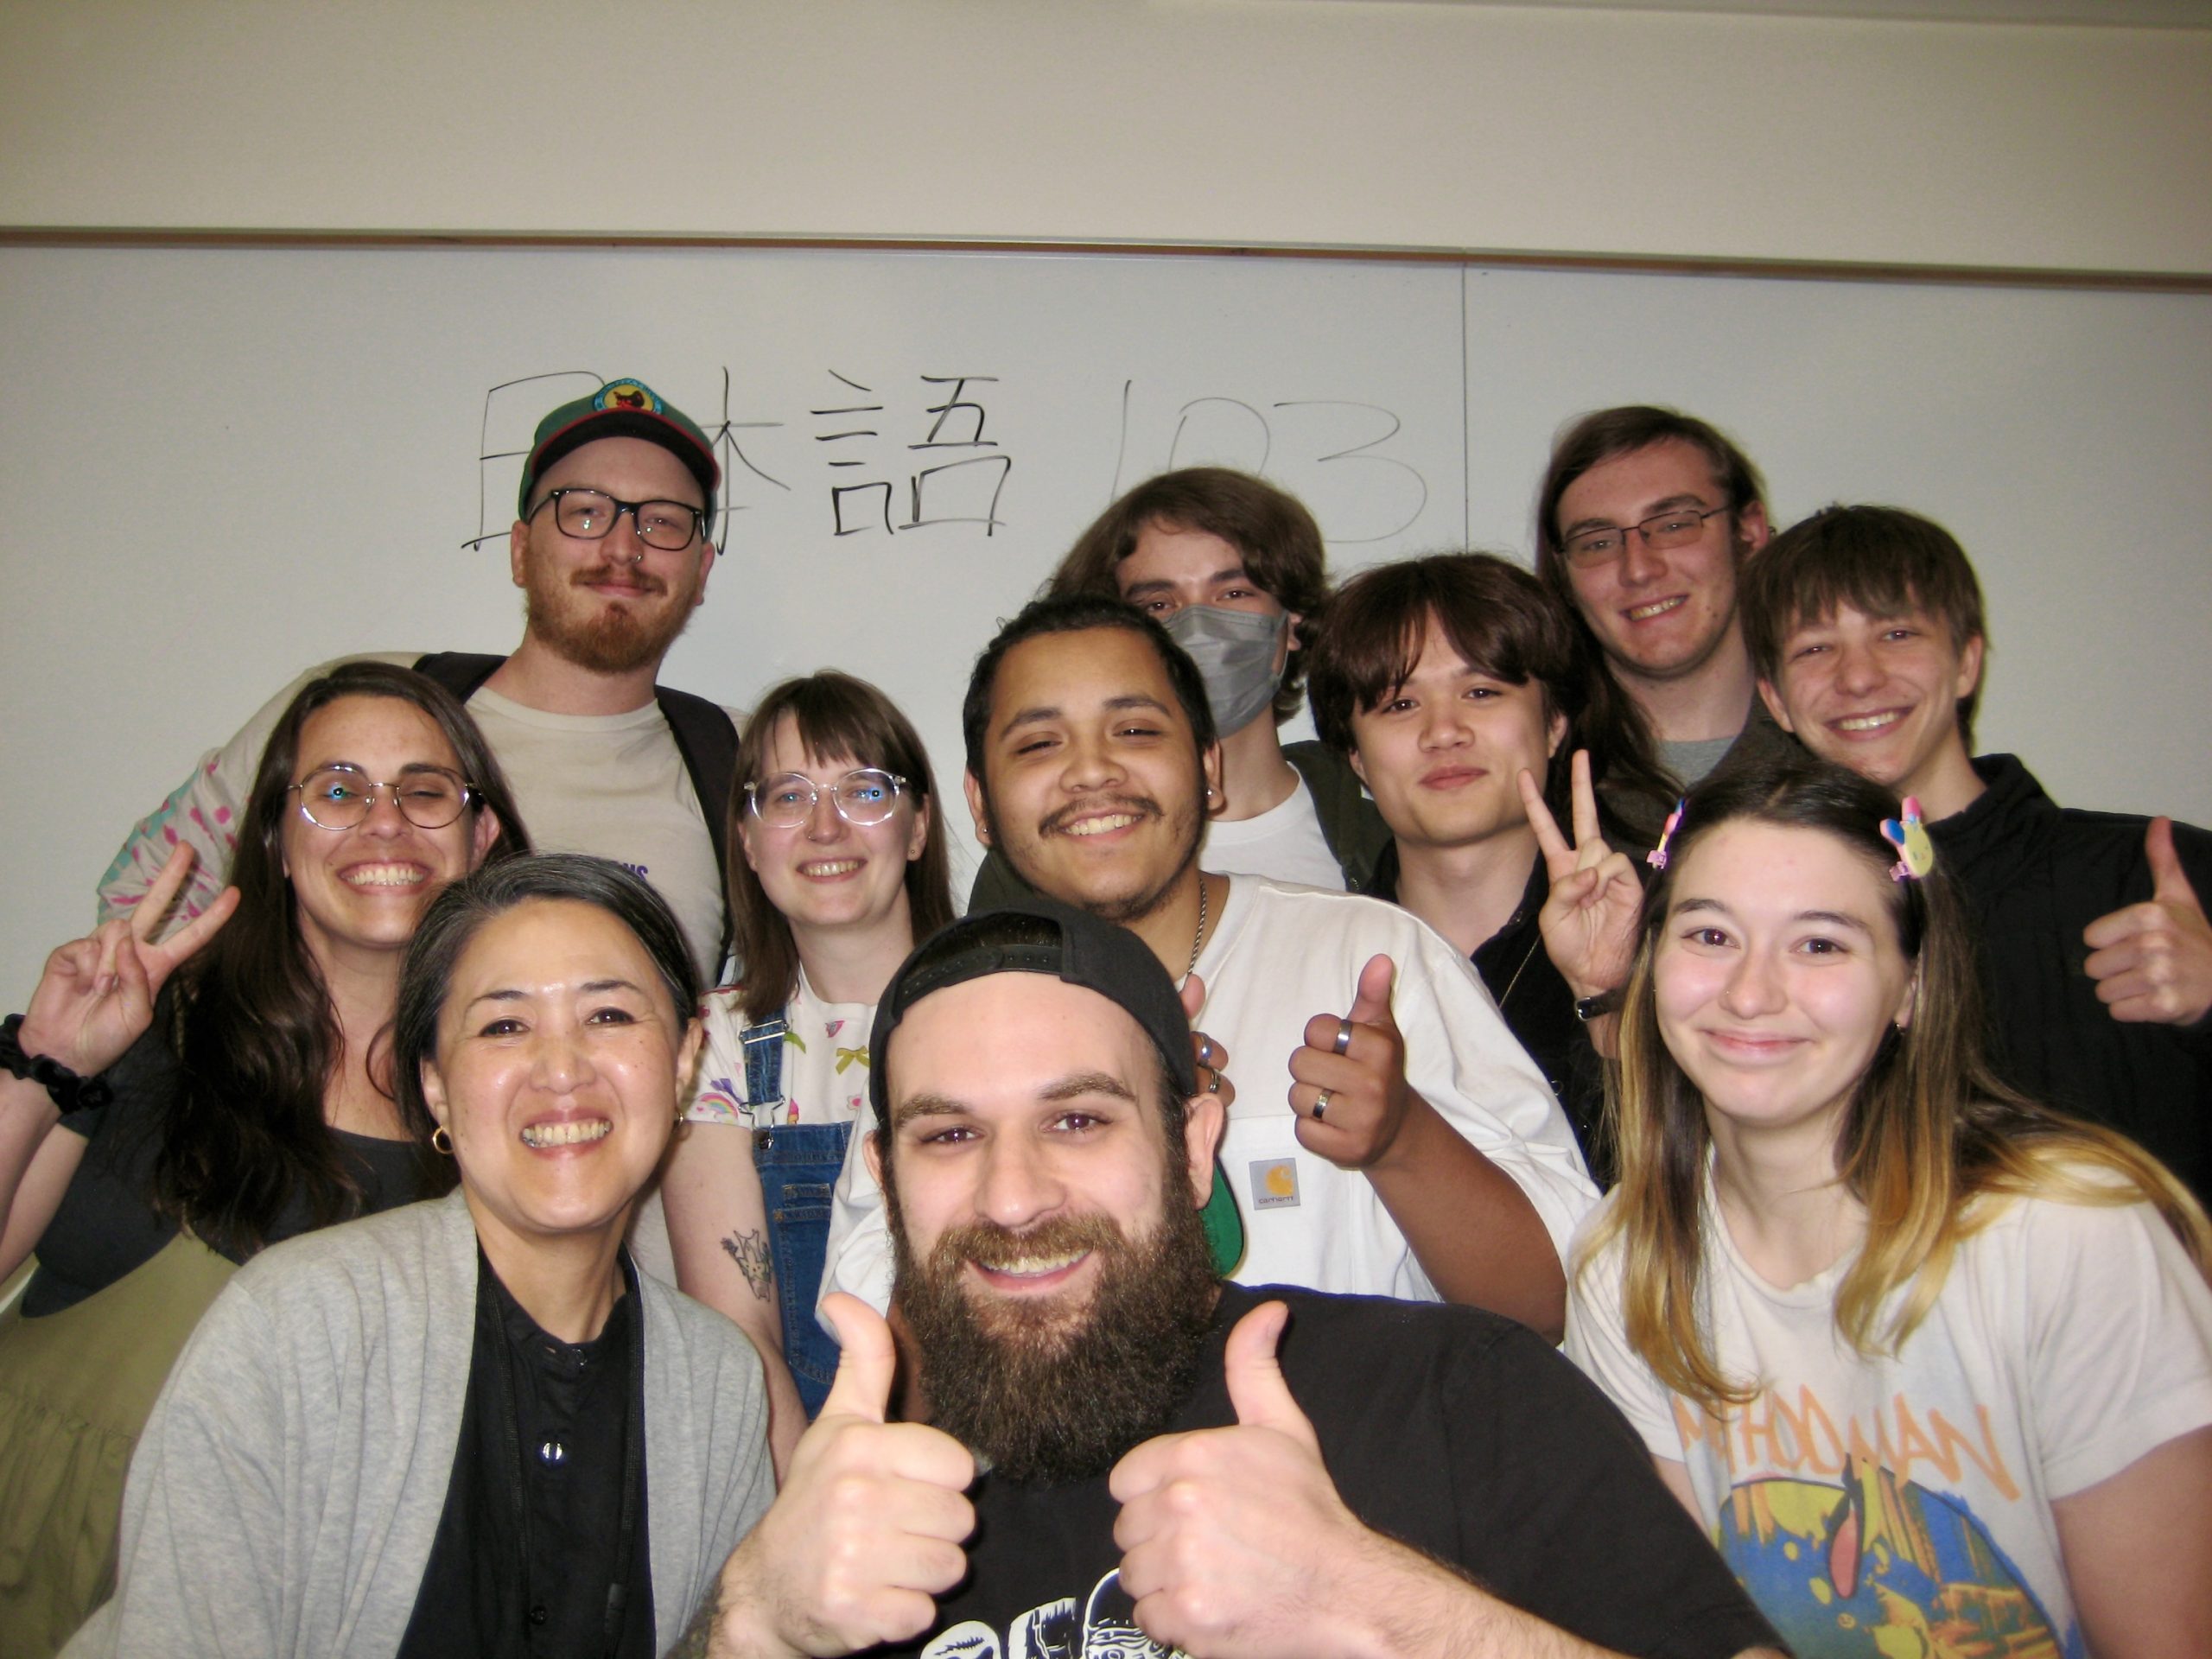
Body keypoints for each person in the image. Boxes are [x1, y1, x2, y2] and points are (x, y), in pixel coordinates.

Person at [681, 899, 1785, 1659]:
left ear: (1194, 1143)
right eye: (950, 1135)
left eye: (1077, 1119)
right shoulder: (851, 1528)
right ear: (884, 1174)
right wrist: (752, 1624)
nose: (1012, 1198)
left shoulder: (1451, 1395)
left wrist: (1365, 1607)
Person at [1564, 752, 2212, 1659]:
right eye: (1709, 936)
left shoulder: (2069, 1234)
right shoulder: (1624, 1262)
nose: (1750, 992)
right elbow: (1698, 1631)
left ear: (1909, 985)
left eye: (1820, 943)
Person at [825, 594, 1595, 1339]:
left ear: (1208, 767)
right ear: (980, 803)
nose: (1092, 772)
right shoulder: (939, 1017)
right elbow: (887, 1376)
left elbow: (1554, 1303)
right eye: (1038, 743)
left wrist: (1401, 1139)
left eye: (1134, 729)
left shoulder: (1368, 959)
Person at [69, 855, 776, 1658]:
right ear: (437, 1086)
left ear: (685, 1059)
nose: (562, 1071)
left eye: (609, 1016)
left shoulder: (719, 1384)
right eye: (503, 1025)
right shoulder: (299, 1328)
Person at [0, 661, 529, 1656]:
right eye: (337, 791)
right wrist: (46, 1063)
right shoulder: (149, 1025)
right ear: (279, 842)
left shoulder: (507, 1124)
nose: (384, 823)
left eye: (424, 792)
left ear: (481, 838)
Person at [94, 376, 740, 988]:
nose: (623, 546)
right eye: (586, 511)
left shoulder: (750, 767)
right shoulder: (359, 709)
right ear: (521, 550)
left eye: (663, 521)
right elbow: (145, 899)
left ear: (702, 569)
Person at [1742, 504, 2212, 1202]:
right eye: (1816, 648)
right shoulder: (1766, 933)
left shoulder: (2147, 875)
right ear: (1776, 700)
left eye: (1896, 633)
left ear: (1966, 661)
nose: (1860, 677)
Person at [662, 672, 956, 1468]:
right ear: (749, 841)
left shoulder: (997, 1007)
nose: (826, 827)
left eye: (864, 790)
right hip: (811, 1469)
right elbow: (742, 1341)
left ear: (919, 826)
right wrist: (815, 1516)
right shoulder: (713, 1043)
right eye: (788, 797)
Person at [1306, 551, 1667, 1182]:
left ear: (1554, 723)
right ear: (1356, 758)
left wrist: (1609, 1002)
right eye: (1398, 705)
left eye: (1481, 692)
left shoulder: (1678, 928)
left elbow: (1702, 1196)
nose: (1444, 732)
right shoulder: (1316, 958)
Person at [970, 467, 1389, 905]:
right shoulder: (1039, 856)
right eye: (1158, 604)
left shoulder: (1381, 829)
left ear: (1293, 623)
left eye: (1233, 594)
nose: (1199, 629)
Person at [1535, 405, 1794, 844]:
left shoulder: (1848, 743)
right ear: (1564, 574)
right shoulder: (1532, 780)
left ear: (1748, 533)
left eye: (1674, 525)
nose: (1638, 569)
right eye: (1597, 543)